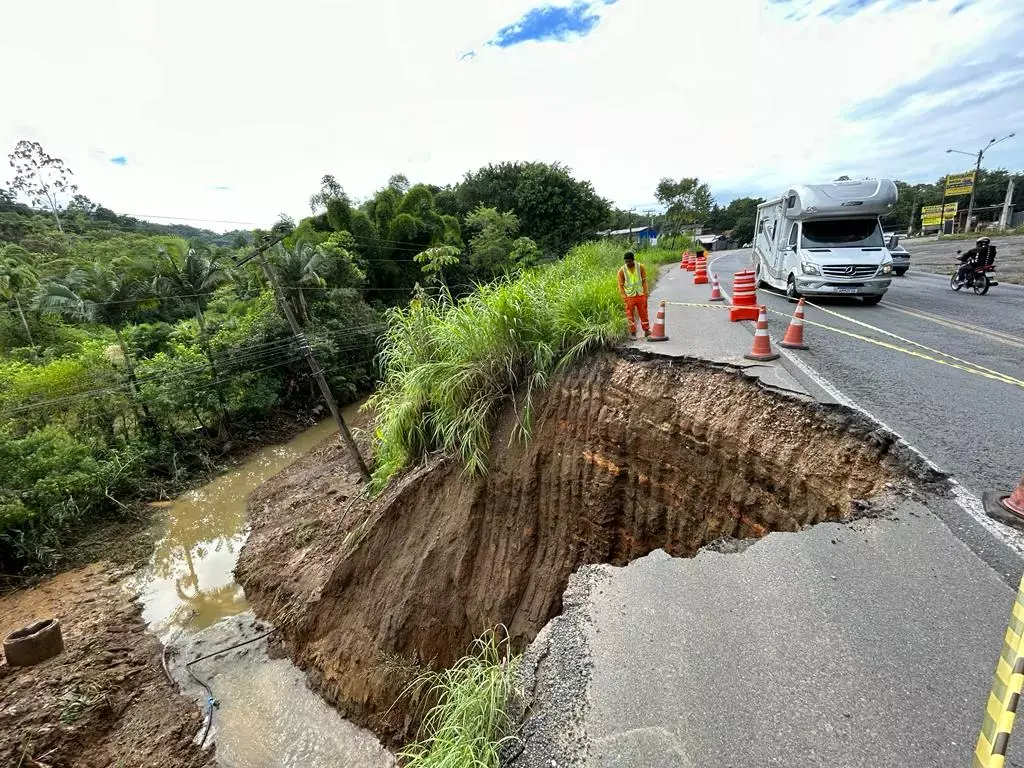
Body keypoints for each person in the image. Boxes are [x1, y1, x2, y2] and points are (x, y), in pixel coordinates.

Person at [618, 251, 651, 338]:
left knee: (644, 313)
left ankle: (646, 330)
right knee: (630, 315)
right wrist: (624, 297)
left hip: (640, 294)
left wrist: (645, 293)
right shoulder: (622, 271)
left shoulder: (640, 267)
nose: (628, 263)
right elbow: (620, 286)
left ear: (633, 260)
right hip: (629, 296)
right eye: (626, 261)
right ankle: (633, 333)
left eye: (629, 261)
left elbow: (644, 281)